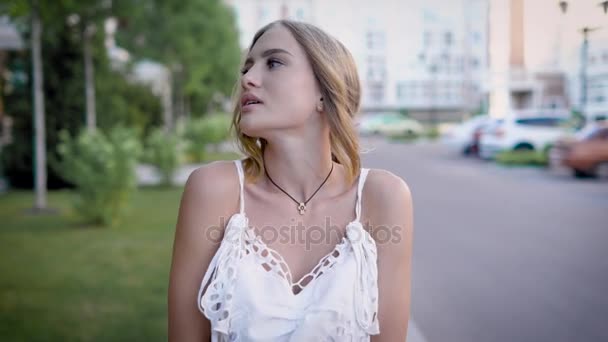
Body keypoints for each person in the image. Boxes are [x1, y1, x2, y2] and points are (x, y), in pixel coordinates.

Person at [168, 19, 413, 341]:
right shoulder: (214, 189)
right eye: (247, 67)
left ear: (325, 93)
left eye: (274, 62)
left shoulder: (383, 198)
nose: (248, 79)